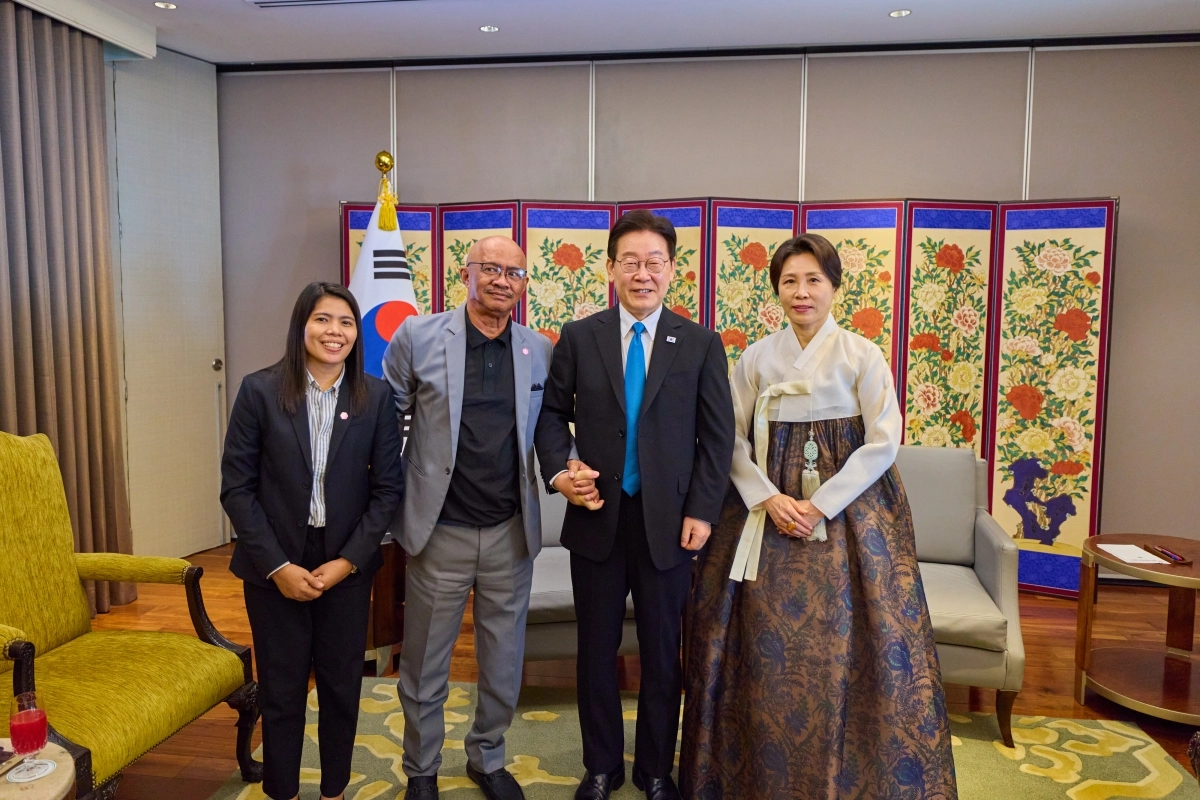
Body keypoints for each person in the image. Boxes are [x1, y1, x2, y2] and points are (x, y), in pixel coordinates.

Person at [679, 234, 958, 799]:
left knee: (851, 637)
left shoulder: (862, 355)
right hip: (763, 514)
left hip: (848, 513)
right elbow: (727, 438)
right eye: (789, 281)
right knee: (755, 640)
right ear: (776, 289)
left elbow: (883, 442)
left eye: (813, 281)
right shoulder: (757, 356)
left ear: (834, 287)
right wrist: (768, 498)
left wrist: (819, 504)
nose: (801, 292)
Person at [535, 210, 736, 800]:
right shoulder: (579, 336)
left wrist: (701, 510)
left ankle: (654, 770)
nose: (642, 273)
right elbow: (550, 416)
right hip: (597, 517)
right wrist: (561, 469)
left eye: (654, 262)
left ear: (672, 270)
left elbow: (716, 437)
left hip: (669, 526)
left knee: (661, 656)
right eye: (631, 261)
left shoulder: (700, 343)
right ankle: (600, 767)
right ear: (610, 268)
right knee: (594, 652)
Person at [382, 236, 552, 800]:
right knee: (425, 664)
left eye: (515, 273)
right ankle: (422, 770)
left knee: (503, 664)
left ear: (525, 285)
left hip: (510, 531)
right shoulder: (418, 336)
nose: (503, 280)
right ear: (467, 272)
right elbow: (387, 425)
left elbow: (550, 431)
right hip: (439, 532)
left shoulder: (539, 349)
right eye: (492, 269)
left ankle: (488, 757)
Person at [221, 282, 405, 800]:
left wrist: (348, 561)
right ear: (302, 326)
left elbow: (389, 488)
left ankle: (334, 790)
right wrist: (278, 566)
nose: (335, 332)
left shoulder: (375, 396)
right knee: (281, 691)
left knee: (342, 687)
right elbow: (236, 487)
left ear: (357, 333)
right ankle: (283, 790)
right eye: (323, 320)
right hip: (272, 564)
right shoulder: (260, 392)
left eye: (346, 322)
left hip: (345, 563)